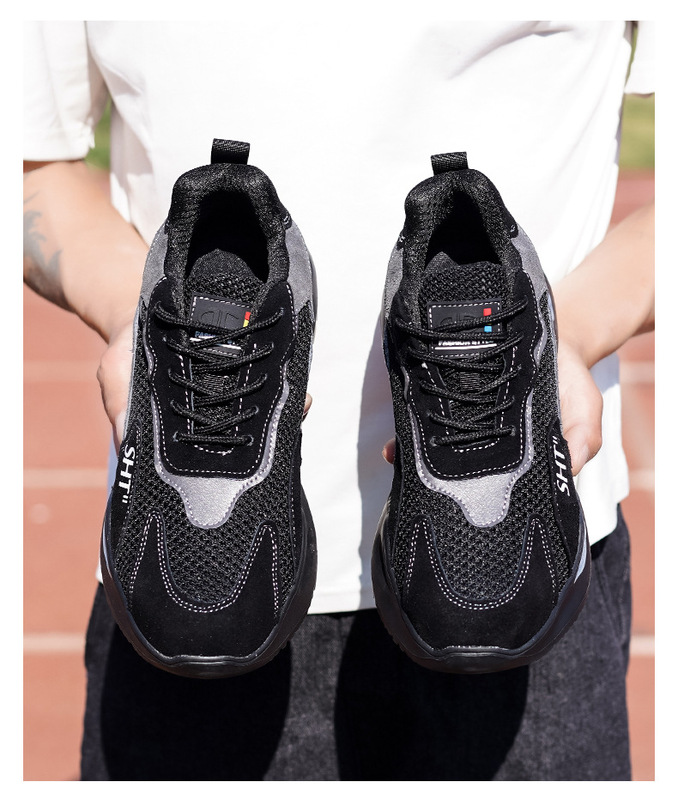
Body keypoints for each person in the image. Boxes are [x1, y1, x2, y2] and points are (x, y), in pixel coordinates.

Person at [23, 17, 654, 780]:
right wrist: (137, 322)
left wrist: (570, 334)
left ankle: (494, 349)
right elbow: (28, 168)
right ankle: (209, 340)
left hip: (539, 563)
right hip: (158, 575)